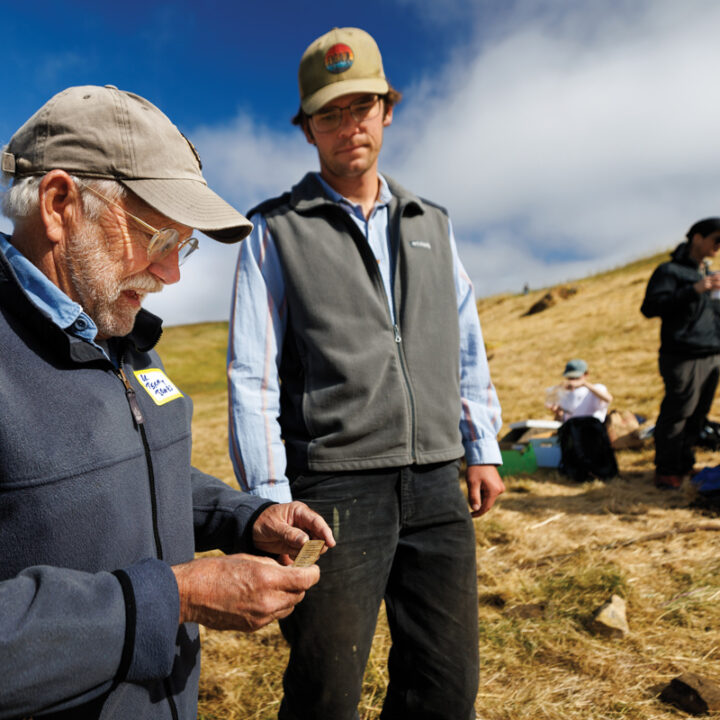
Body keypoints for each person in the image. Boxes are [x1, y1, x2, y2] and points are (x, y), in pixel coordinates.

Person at [0, 85, 336, 720]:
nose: (173, 274)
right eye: (159, 238)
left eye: (182, 247)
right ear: (59, 203)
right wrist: (173, 599)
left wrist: (244, 517)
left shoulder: (125, 342)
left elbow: (144, 474)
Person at [227, 27, 504, 720]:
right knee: (326, 687)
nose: (348, 125)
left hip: (439, 482)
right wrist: (267, 499)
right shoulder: (275, 230)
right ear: (308, 129)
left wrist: (483, 448)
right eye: (330, 113)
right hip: (335, 493)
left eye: (361, 106)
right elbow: (251, 375)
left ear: (388, 109)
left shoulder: (432, 224)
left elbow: (465, 342)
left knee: (445, 685)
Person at [641, 217, 720, 489]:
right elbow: (650, 307)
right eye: (716, 239)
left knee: (699, 414)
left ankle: (684, 464)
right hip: (682, 355)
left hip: (712, 354)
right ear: (697, 237)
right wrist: (693, 290)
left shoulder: (707, 274)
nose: (719, 247)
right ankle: (666, 470)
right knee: (679, 411)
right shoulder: (670, 271)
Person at [546, 359, 613, 422]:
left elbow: (608, 398)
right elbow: (561, 421)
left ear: (586, 374)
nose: (573, 380)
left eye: (576, 377)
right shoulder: (564, 393)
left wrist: (584, 384)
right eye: (571, 378)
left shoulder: (596, 388)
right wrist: (558, 413)